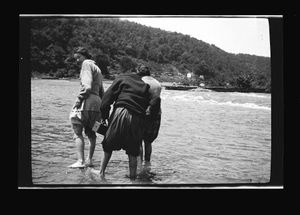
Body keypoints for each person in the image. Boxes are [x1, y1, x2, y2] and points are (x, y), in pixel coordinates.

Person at [94, 68, 161, 179]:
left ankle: (101, 172)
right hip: (138, 117)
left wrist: (104, 116)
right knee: (133, 148)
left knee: (108, 143)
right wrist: (148, 118)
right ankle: (133, 177)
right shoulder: (145, 86)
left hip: (121, 111)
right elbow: (156, 99)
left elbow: (106, 98)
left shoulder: (122, 79)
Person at [68, 47, 105, 168]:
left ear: (85, 56)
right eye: (76, 58)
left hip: (87, 102)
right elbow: (102, 91)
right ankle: (89, 160)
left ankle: (80, 161)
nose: (77, 60)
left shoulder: (86, 64)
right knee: (92, 132)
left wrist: (78, 99)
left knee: (77, 129)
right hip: (97, 104)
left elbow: (87, 87)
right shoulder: (97, 68)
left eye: (79, 57)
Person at [137, 66, 162, 162]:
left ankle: (139, 165)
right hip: (156, 114)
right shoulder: (157, 83)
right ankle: (147, 164)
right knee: (148, 141)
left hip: (143, 113)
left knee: (138, 140)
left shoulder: (140, 82)